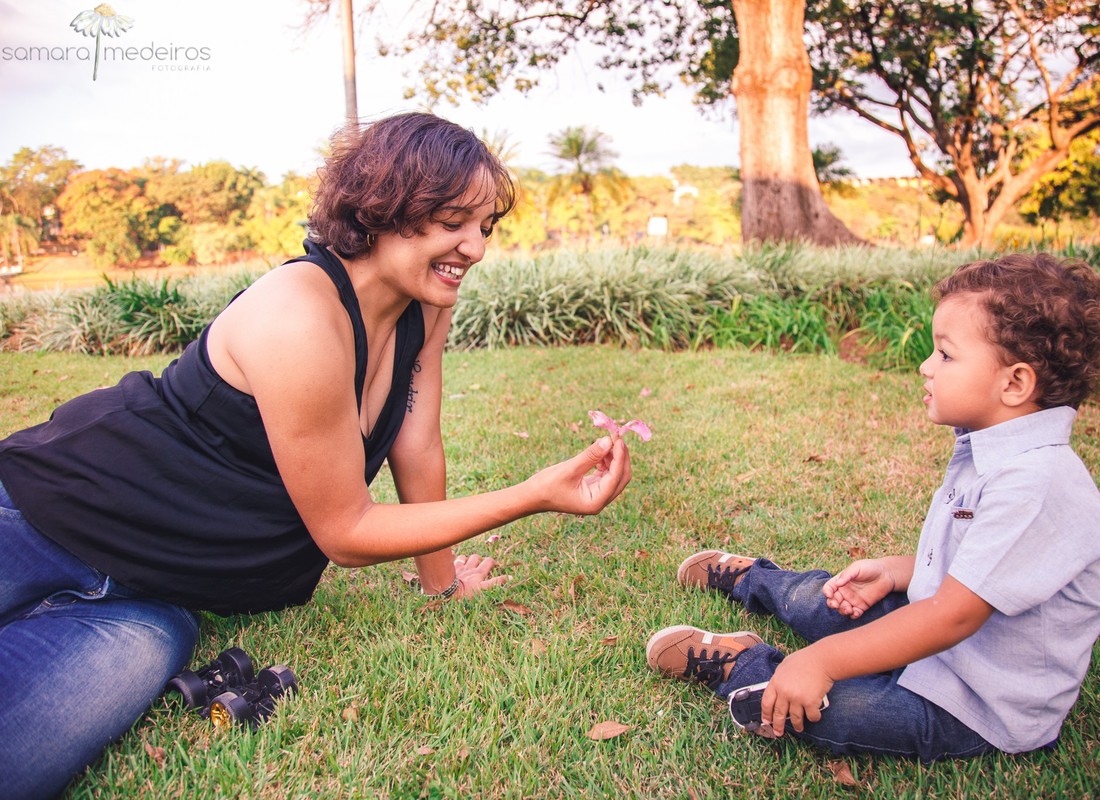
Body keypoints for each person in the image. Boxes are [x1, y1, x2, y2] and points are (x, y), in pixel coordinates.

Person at [0, 112, 632, 799]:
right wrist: (534, 494)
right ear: (388, 207)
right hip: (36, 518)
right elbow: (348, 533)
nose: (475, 247)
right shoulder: (299, 311)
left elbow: (416, 445)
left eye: (485, 226)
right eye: (455, 220)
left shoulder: (425, 307)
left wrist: (441, 586)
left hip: (151, 601)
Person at [647, 253, 1100, 762]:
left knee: (827, 713)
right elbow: (988, 566)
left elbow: (954, 617)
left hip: (975, 702)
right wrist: (899, 573)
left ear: (1014, 383)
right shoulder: (992, 448)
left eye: (945, 355)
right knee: (821, 601)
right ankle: (754, 580)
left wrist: (822, 661)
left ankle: (744, 664)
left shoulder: (1035, 482)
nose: (925, 366)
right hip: (935, 629)